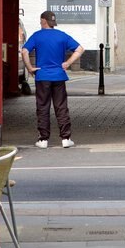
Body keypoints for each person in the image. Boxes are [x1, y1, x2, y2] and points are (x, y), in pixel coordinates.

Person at [21, 10, 84, 148]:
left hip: (42, 77)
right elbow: (80, 49)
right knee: (61, 107)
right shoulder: (62, 36)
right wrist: (67, 63)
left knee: (43, 107)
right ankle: (66, 138)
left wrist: (30, 68)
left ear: (43, 21)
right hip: (59, 76)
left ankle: (43, 140)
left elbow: (24, 51)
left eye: (40, 21)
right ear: (52, 22)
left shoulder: (37, 36)